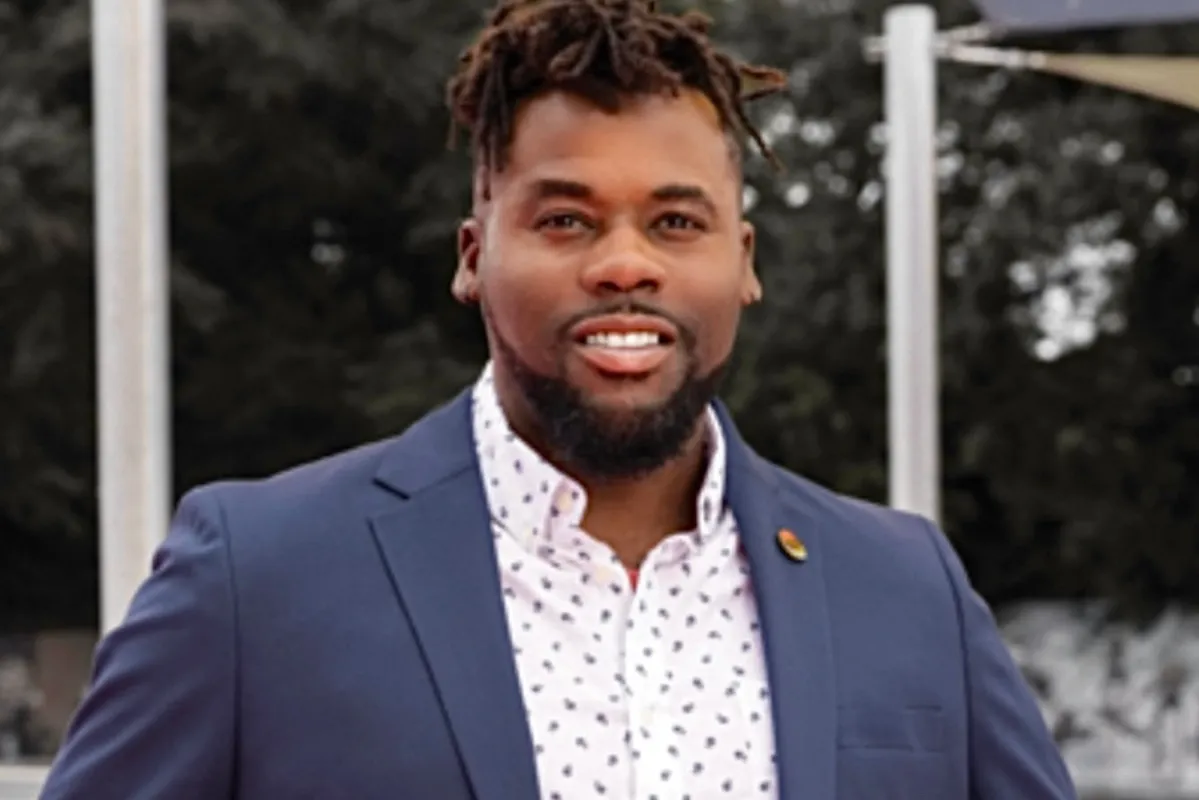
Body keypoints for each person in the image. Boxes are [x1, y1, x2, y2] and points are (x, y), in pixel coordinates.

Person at [40, 0, 1077, 797]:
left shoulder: (907, 588)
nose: (624, 263)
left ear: (742, 262)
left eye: (675, 224)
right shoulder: (252, 577)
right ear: (472, 255)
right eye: (565, 221)